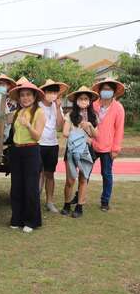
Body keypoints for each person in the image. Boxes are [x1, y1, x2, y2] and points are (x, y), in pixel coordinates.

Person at [7, 82, 46, 233]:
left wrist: (28, 125)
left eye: (28, 95)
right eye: (22, 95)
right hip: (16, 151)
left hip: (31, 151)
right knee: (16, 187)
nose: (25, 98)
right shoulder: (17, 112)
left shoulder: (39, 112)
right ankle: (16, 218)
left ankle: (31, 221)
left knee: (30, 188)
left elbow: (37, 137)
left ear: (34, 96)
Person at [60, 86, 99, 218]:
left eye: (86, 99)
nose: (83, 101)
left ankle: (79, 207)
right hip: (71, 150)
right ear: (76, 101)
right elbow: (65, 133)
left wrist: (89, 125)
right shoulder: (70, 116)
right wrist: (80, 135)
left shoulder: (94, 116)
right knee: (70, 180)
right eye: (81, 98)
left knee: (83, 179)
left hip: (87, 151)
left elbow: (96, 135)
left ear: (89, 101)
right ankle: (66, 204)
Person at [91, 78, 126, 211]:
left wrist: (116, 148)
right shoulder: (93, 105)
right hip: (93, 145)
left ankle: (105, 201)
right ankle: (79, 197)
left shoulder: (118, 108)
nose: (106, 92)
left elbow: (119, 129)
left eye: (109, 89)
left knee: (106, 174)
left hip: (108, 147)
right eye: (104, 89)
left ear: (114, 92)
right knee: (85, 172)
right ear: (99, 91)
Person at [38, 79, 69, 213]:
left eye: (55, 92)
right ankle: (35, 200)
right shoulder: (37, 105)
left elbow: (60, 126)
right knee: (37, 173)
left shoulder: (57, 106)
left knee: (49, 174)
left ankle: (49, 202)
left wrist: (57, 107)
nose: (52, 95)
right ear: (44, 92)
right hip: (38, 143)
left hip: (52, 144)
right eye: (50, 91)